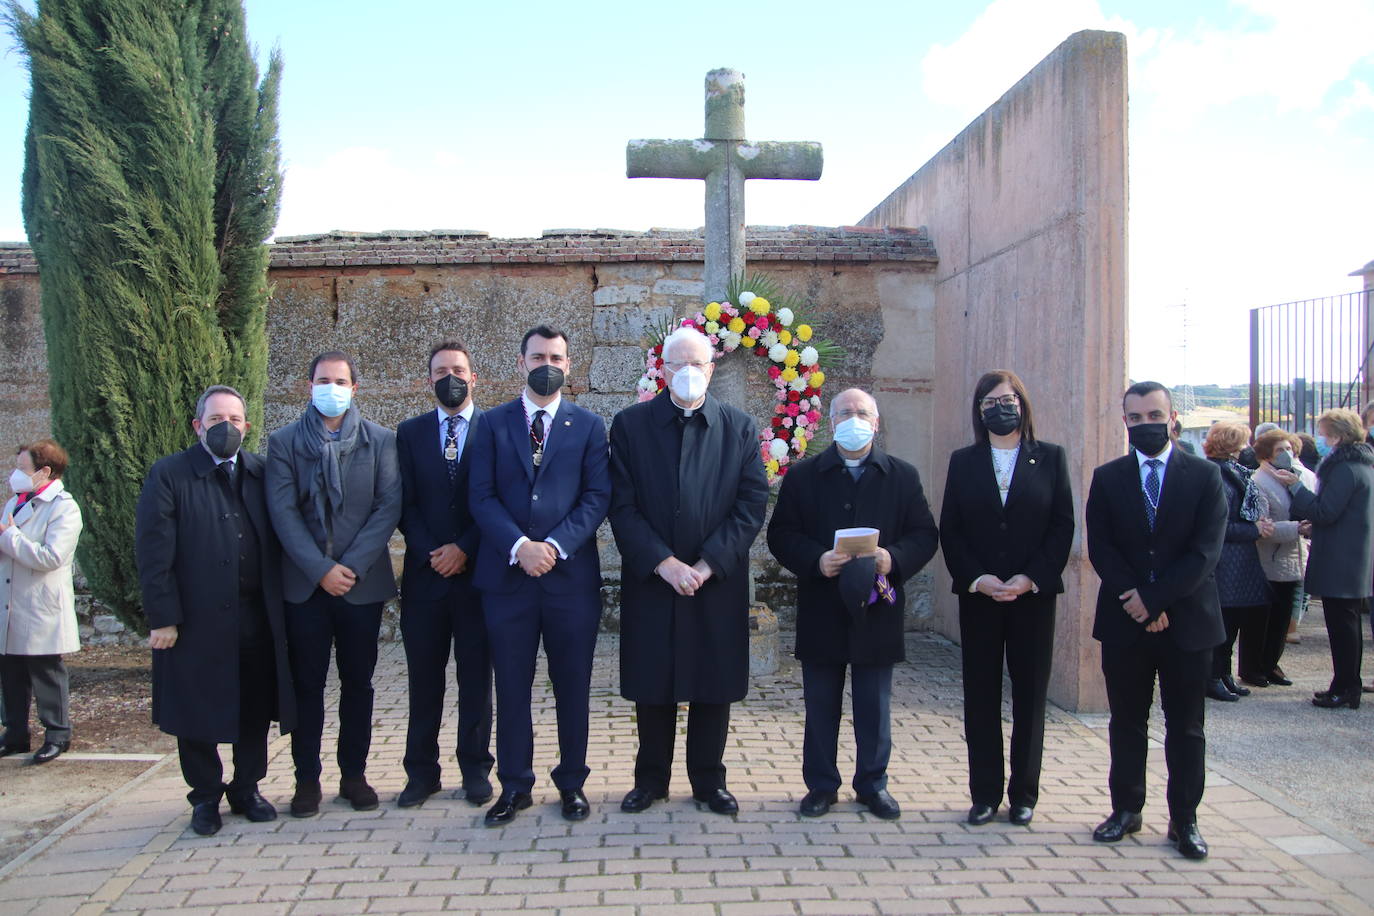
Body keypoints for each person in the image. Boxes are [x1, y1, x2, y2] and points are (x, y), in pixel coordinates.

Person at [611, 327, 768, 817]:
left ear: (711, 370)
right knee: (653, 681)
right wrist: (664, 562)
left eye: (696, 365)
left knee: (712, 681)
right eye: (678, 364)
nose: (687, 373)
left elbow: (750, 504)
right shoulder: (631, 426)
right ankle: (650, 780)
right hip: (654, 577)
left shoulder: (740, 428)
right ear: (663, 368)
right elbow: (622, 504)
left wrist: (705, 564)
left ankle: (708, 781)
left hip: (713, 579)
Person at [768, 388, 938, 821]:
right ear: (830, 422)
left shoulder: (902, 476)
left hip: (877, 609)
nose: (854, 418)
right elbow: (782, 534)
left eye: (862, 412)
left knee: (874, 703)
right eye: (845, 411)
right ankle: (821, 785)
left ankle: (873, 784)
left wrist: (892, 558)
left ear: (876, 423)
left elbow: (924, 535)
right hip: (823, 606)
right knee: (820, 703)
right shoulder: (804, 476)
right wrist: (816, 559)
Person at [135, 386, 296, 836]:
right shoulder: (170, 475)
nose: (226, 426)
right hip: (194, 621)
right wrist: (162, 616)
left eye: (235, 418)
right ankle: (205, 796)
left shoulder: (262, 472)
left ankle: (247, 788)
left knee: (254, 706)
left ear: (247, 425)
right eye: (215, 419)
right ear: (198, 425)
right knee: (197, 710)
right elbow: (153, 553)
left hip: (256, 617)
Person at [468, 326, 610, 826]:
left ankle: (572, 782)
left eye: (556, 356)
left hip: (569, 581)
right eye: (537, 356)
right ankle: (514, 785)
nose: (546, 363)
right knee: (511, 686)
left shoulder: (589, 426)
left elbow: (596, 498)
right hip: (507, 581)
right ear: (521, 362)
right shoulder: (490, 423)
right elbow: (480, 496)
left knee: (572, 684)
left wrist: (551, 546)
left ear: (568, 365)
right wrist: (519, 547)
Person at [1086, 381, 1226, 861]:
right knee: (1126, 721)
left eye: (1154, 415)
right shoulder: (1107, 478)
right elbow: (1102, 546)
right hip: (1125, 622)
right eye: (1136, 417)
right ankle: (1125, 810)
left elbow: (1205, 552)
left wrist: (1157, 599)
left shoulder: (1205, 477)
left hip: (1188, 623)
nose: (1145, 424)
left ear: (1172, 418)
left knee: (1186, 727)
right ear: (1124, 421)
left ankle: (1184, 821)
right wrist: (1138, 601)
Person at [267, 351, 401, 816]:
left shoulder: (381, 441)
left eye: (340, 380)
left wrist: (350, 566)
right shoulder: (283, 442)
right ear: (310, 386)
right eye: (324, 380)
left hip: (359, 585)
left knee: (358, 683)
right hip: (306, 586)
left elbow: (387, 508)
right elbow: (282, 512)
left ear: (354, 387)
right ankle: (306, 780)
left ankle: (354, 774)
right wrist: (320, 568)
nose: (332, 387)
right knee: (307, 685)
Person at [938, 371, 1074, 827]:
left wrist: (1030, 577)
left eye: (1009, 398)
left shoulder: (1051, 458)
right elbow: (951, 528)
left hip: (1031, 598)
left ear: (1023, 404)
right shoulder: (963, 461)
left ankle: (1023, 795)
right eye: (991, 401)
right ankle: (984, 794)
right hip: (981, 598)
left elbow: (1062, 525)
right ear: (979, 411)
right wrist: (977, 578)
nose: (1001, 407)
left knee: (1030, 697)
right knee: (980, 696)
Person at [394, 341, 494, 808]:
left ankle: (475, 768)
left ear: (474, 378)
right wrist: (433, 552)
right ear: (428, 380)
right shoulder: (409, 433)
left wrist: (464, 549)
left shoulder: (495, 429)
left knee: (476, 678)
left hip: (478, 578)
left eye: (458, 369)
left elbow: (500, 497)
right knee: (423, 679)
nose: (449, 377)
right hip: (426, 577)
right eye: (440, 371)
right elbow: (405, 504)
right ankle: (421, 772)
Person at [1274, 408, 1374, 709]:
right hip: (1351, 556)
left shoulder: (1345, 469)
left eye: (1325, 432)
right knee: (1347, 625)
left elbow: (1324, 511)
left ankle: (1346, 687)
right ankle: (1344, 684)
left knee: (1343, 627)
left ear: (1339, 435)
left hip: (1341, 558)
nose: (1321, 438)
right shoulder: (1362, 465)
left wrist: (1296, 487)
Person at [0, 439, 82, 765]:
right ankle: (15, 733)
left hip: (40, 606)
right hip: (10, 602)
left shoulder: (64, 507)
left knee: (45, 671)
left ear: (44, 471)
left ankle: (57, 735)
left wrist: (9, 538)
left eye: (23, 469)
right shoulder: (14, 503)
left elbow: (52, 556)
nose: (16, 475)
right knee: (10, 672)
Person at [1201, 421, 1273, 700]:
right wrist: (1254, 530)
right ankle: (1212, 676)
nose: (1248, 448)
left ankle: (1224, 673)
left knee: (1232, 625)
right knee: (1223, 624)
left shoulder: (1235, 472)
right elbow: (1218, 525)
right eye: (1243, 442)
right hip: (1226, 562)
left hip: (1240, 562)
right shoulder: (1218, 474)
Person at [1249, 429, 1305, 688]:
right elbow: (1263, 527)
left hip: (1294, 555)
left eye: (1290, 449)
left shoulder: (1296, 478)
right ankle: (1256, 666)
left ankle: (1272, 663)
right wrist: (1297, 528)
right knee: (1265, 618)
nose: (1287, 454)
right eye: (1280, 450)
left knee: (1283, 617)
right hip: (1270, 557)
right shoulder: (1260, 482)